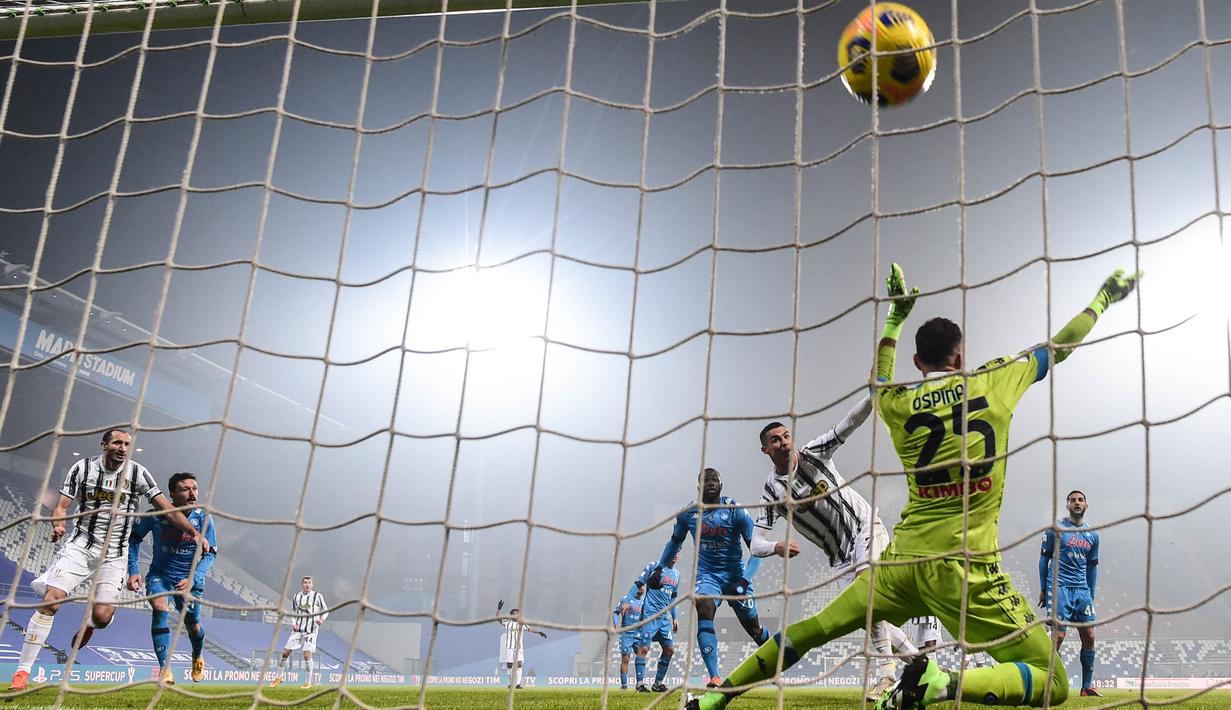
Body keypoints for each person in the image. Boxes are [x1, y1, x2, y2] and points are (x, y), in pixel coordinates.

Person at [687, 263, 1141, 710]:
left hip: (901, 564)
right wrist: (1103, 299)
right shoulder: (995, 380)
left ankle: (713, 699)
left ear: (918, 363)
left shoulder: (899, 403)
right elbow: (1059, 346)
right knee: (1053, 680)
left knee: (812, 630)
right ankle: (940, 682)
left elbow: (878, 382)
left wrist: (895, 317)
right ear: (960, 358)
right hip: (965, 567)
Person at [8, 429, 210, 692]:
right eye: (117, 442)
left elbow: (166, 508)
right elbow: (61, 507)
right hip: (80, 547)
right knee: (51, 601)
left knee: (103, 617)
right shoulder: (82, 468)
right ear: (104, 444)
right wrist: (58, 525)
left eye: (127, 444)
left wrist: (194, 532)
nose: (122, 448)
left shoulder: (138, 473)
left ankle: (91, 624)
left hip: (115, 554)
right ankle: (23, 672)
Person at [753, 405, 930, 700]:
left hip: (865, 528)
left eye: (786, 436)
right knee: (866, 615)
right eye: (775, 440)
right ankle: (921, 664)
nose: (783, 442)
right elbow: (755, 543)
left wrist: (873, 396)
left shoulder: (814, 454)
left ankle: (887, 675)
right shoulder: (772, 492)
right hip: (839, 558)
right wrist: (776, 547)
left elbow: (848, 423)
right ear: (765, 450)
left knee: (866, 595)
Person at [648, 468, 768, 688]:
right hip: (707, 576)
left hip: (736, 577)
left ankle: (775, 661)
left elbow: (757, 548)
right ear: (699, 486)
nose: (710, 483)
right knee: (703, 606)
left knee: (755, 630)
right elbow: (675, 542)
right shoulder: (688, 513)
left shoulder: (735, 510)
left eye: (714, 480)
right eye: (705, 480)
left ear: (721, 485)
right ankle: (714, 677)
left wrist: (745, 580)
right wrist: (660, 568)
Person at [127, 472, 217, 685]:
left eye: (194, 488)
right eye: (185, 489)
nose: (192, 493)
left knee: (193, 625)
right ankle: (164, 668)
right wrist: (133, 570)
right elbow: (133, 540)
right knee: (160, 607)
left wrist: (193, 579)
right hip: (160, 576)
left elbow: (211, 553)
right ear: (172, 495)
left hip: (189, 580)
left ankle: (197, 655)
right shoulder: (155, 515)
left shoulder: (204, 517)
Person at [1039, 489, 1101, 697]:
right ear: (1067, 505)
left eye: (1080, 500)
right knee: (1058, 636)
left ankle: (1086, 687)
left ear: (1086, 505)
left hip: (1082, 590)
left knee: (1090, 635)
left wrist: (1091, 594)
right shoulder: (1055, 529)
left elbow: (1092, 566)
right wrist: (1043, 588)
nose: (1077, 502)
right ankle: (1048, 683)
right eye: (1073, 500)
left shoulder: (1093, 535)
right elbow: (1044, 559)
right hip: (1059, 586)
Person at [270, 576, 329, 689]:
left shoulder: (317, 596)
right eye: (305, 582)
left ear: (312, 585)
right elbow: (294, 611)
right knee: (285, 653)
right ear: (302, 584)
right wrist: (294, 623)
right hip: (298, 630)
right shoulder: (296, 596)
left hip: (311, 630)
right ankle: (278, 677)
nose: (307, 584)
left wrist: (322, 619)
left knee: (307, 654)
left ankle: (308, 681)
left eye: (309, 583)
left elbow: (326, 610)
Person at [634, 553, 680, 692]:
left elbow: (672, 598)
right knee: (644, 648)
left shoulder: (677, 574)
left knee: (669, 650)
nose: (675, 554)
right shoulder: (655, 566)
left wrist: (675, 617)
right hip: (650, 616)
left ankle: (657, 684)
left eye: (678, 552)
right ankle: (639, 685)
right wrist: (631, 597)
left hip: (664, 619)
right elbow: (639, 582)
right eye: (674, 551)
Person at [498, 602, 547, 689]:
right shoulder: (507, 623)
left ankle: (518, 684)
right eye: (515, 614)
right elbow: (498, 618)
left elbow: (530, 629)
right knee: (509, 665)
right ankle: (510, 683)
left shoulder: (522, 624)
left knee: (519, 664)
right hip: (509, 647)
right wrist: (499, 609)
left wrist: (539, 632)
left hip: (519, 648)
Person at [612, 583, 650, 690]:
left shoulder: (644, 603)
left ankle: (640, 684)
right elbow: (615, 613)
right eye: (640, 586)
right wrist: (616, 624)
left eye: (644, 586)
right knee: (625, 659)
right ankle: (624, 686)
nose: (642, 588)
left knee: (641, 656)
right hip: (626, 633)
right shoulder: (626, 599)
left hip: (638, 634)